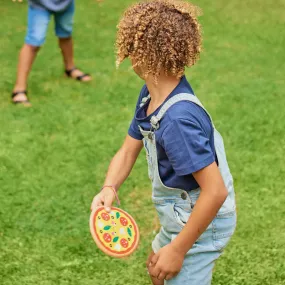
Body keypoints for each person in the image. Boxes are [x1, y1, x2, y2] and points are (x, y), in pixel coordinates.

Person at [91, 0, 236, 284]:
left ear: (142, 56)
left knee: (169, 265)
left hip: (204, 221)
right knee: (158, 270)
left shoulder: (177, 121)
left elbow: (215, 192)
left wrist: (179, 249)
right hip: (179, 214)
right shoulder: (150, 96)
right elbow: (127, 149)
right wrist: (110, 186)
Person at [12, 0, 91, 106]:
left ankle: (70, 69)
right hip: (40, 5)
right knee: (34, 41)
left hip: (65, 4)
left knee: (65, 34)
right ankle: (19, 88)